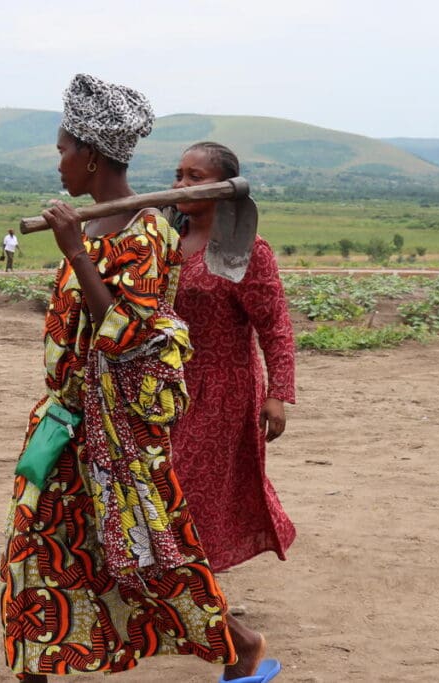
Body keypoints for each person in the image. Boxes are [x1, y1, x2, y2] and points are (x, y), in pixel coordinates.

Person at [0, 75, 278, 682]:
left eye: (62, 150)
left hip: (120, 432)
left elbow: (138, 335)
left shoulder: (148, 232)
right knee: (32, 547)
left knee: (151, 557)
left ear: (92, 156)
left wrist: (76, 252)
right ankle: (33, 671)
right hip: (66, 420)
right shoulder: (97, 224)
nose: (59, 164)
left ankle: (241, 646)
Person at [168, 141, 297, 575]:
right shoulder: (166, 240)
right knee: (161, 485)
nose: (181, 184)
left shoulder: (245, 250)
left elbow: (275, 325)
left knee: (188, 487)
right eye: (179, 175)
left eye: (194, 177)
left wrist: (277, 394)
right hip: (166, 387)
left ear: (225, 188)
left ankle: (194, 589)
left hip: (223, 389)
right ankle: (187, 587)